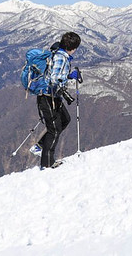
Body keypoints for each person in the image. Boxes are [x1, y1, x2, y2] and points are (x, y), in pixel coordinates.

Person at [30, 31, 82, 168]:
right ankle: (47, 164)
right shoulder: (61, 57)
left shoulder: (58, 53)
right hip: (47, 97)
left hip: (52, 96)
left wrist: (68, 76)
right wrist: (68, 77)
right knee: (54, 130)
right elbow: (54, 78)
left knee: (65, 119)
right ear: (72, 48)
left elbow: (55, 74)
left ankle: (40, 146)